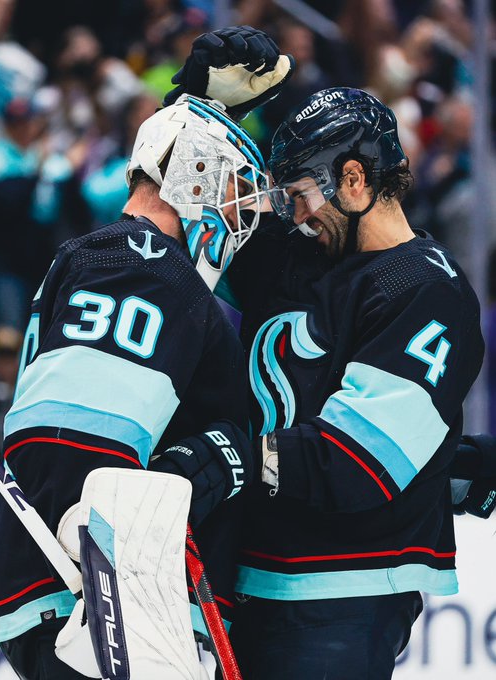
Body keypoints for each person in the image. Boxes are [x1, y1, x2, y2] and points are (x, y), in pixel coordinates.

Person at [165, 28, 490, 679]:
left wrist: (235, 456)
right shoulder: (296, 257)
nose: (292, 214)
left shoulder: (426, 289)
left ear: (351, 178)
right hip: (251, 576)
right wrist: (204, 105)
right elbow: (177, 194)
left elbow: (359, 461)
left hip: (341, 594)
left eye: (300, 194)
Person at [0, 92, 272, 679]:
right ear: (197, 175)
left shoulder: (75, 257)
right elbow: (76, 446)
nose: (233, 214)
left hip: (32, 580)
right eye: (229, 189)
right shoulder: (161, 274)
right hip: (98, 592)